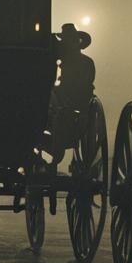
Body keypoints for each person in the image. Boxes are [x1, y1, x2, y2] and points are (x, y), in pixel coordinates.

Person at [43, 23, 96, 162]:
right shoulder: (79, 61)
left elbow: (84, 87)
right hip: (68, 99)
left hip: (76, 101)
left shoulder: (82, 63)